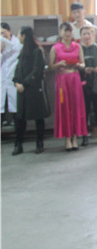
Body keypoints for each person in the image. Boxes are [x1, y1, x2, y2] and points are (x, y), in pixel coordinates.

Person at [48, 23, 87, 151]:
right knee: (64, 107)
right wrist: (59, 64)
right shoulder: (55, 48)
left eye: (69, 31)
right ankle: (67, 139)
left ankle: (75, 138)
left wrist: (78, 65)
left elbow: (83, 64)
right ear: (60, 32)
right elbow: (50, 67)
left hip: (75, 78)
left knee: (75, 107)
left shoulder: (77, 46)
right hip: (62, 79)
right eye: (65, 31)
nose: (67, 33)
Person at [12, 26, 50, 155]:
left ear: (24, 36)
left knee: (38, 117)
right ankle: (18, 144)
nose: (18, 37)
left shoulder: (37, 51)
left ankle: (39, 143)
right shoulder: (22, 50)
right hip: (21, 89)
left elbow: (37, 71)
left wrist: (24, 83)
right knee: (20, 118)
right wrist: (16, 82)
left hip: (33, 89)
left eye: (19, 34)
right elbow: (18, 69)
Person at [80, 25, 97, 145]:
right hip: (83, 85)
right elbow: (75, 67)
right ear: (81, 36)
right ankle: (84, 136)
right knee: (84, 111)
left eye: (88, 34)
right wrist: (83, 70)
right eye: (84, 34)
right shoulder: (78, 49)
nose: (86, 36)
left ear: (93, 35)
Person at [1, 22, 22, 126]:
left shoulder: (18, 45)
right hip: (2, 82)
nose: (2, 35)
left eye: (3, 32)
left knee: (15, 108)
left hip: (15, 81)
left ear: (9, 31)